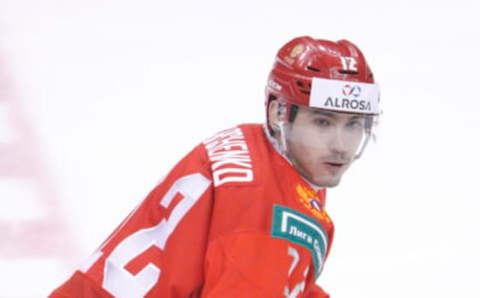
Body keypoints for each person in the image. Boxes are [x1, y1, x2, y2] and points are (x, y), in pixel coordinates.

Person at [50, 36, 380, 298]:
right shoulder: (269, 214)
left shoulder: (260, 148)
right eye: (323, 122)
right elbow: (257, 258)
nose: (340, 144)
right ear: (280, 113)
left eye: (353, 124)